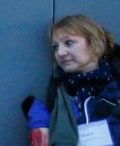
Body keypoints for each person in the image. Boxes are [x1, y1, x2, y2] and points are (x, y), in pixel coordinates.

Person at [23, 15, 120, 146]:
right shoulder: (45, 98)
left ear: (94, 43)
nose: (60, 53)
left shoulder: (115, 88)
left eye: (68, 43)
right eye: (55, 47)